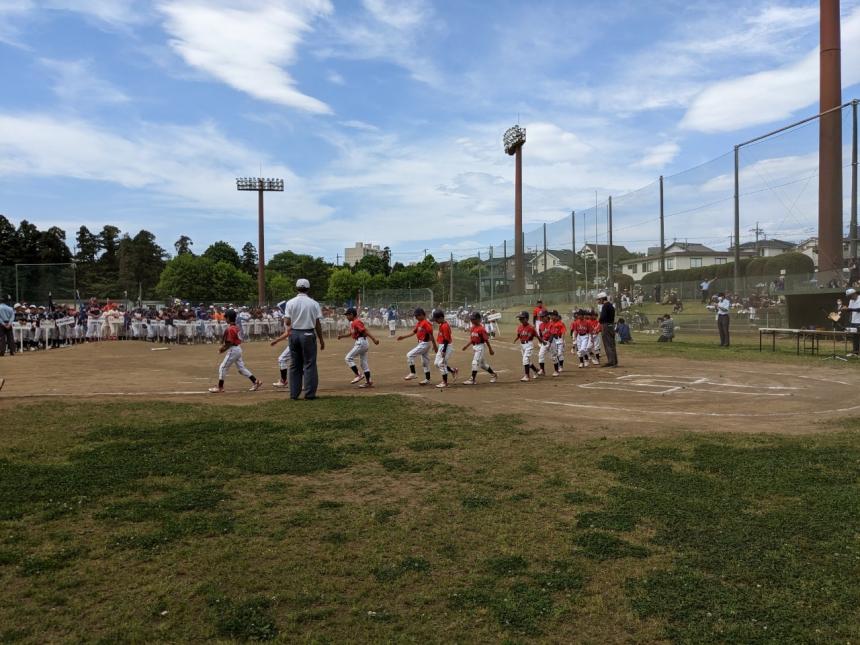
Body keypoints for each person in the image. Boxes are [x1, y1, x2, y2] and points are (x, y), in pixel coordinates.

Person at [284, 278, 326, 400]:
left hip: (294, 334)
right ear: (308, 289)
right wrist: (321, 340)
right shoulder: (314, 303)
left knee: (295, 365)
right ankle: (309, 394)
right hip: (308, 333)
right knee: (309, 364)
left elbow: (287, 321)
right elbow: (317, 323)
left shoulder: (290, 302)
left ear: (296, 288)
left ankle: (294, 394)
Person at [208, 309, 261, 393]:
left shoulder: (230, 329)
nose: (225, 319)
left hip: (233, 349)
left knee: (222, 367)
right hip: (238, 349)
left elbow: (229, 343)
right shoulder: (236, 327)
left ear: (228, 318)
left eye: (225, 318)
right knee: (241, 369)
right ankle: (255, 381)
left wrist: (222, 349)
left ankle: (220, 387)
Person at [337, 307, 379, 388]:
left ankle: (358, 375)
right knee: (364, 364)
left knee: (348, 358)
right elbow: (351, 334)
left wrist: (374, 339)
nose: (346, 317)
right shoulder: (353, 323)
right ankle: (368, 382)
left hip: (361, 342)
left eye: (347, 315)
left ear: (352, 314)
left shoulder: (356, 322)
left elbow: (365, 331)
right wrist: (341, 336)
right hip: (362, 342)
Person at [397, 307, 437, 385]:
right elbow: (413, 332)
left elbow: (430, 334)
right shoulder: (419, 323)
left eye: (417, 316)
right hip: (422, 343)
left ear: (422, 315)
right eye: (415, 316)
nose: (415, 317)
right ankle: (427, 379)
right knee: (425, 362)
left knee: (409, 355)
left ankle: (413, 373)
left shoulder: (426, 323)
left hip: (425, 343)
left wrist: (435, 346)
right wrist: (403, 337)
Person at [462, 311, 497, 384]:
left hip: (480, 347)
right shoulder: (472, 328)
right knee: (482, 365)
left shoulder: (481, 329)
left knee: (475, 362)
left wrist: (490, 349)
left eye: (473, 319)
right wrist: (466, 346)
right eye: (471, 319)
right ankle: (493, 375)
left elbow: (486, 340)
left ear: (478, 319)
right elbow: (472, 339)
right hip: (475, 347)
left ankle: (472, 379)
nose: (472, 320)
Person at [432, 309, 458, 388]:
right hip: (442, 345)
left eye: (436, 319)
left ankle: (445, 382)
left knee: (441, 364)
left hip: (446, 346)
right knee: (436, 363)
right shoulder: (442, 325)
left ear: (440, 318)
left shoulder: (445, 326)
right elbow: (442, 338)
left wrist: (443, 350)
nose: (435, 321)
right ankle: (453, 370)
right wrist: (439, 346)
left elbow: (446, 339)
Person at [513, 310, 539, 381]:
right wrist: (516, 339)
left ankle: (527, 376)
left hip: (529, 345)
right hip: (522, 345)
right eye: (520, 319)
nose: (520, 320)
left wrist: (542, 341)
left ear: (527, 318)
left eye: (522, 318)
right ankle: (536, 370)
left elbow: (536, 335)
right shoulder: (520, 327)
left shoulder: (530, 327)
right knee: (527, 361)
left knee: (525, 360)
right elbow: (519, 335)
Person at [597, 291, 618, 367]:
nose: (598, 301)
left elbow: (603, 317)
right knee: (612, 344)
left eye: (599, 299)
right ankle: (614, 361)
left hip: (606, 326)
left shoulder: (605, 306)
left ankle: (611, 362)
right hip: (611, 325)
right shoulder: (610, 305)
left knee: (608, 344)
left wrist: (599, 322)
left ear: (603, 299)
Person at [842, 288, 860, 355]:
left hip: (859, 321)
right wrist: (845, 309)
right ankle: (855, 351)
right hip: (853, 321)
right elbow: (850, 310)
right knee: (855, 337)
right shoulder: (851, 301)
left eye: (849, 296)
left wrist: (850, 309)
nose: (849, 297)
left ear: (854, 294)